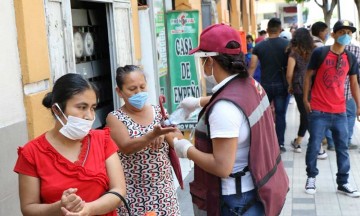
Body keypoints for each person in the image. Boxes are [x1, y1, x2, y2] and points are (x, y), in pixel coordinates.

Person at [174, 23, 289, 216]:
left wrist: (183, 147)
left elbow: (222, 167)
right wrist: (197, 102)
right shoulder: (251, 84)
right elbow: (238, 102)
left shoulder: (223, 109)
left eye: (202, 60)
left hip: (236, 200)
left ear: (210, 61)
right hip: (257, 191)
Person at [13, 73, 126, 216]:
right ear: (57, 109)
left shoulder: (102, 140)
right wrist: (59, 207)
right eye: (82, 107)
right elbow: (28, 209)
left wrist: (87, 210)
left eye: (92, 107)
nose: (89, 116)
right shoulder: (31, 153)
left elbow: (119, 191)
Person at [106, 65, 183, 216]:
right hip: (134, 196)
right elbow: (126, 147)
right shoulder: (115, 118)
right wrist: (152, 135)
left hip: (165, 194)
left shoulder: (159, 111)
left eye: (142, 87)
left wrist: (164, 133)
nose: (139, 92)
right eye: (132, 89)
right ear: (119, 92)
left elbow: (178, 139)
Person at [303, 20, 360, 197]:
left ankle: (343, 182)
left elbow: (354, 83)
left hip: (340, 111)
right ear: (333, 34)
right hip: (319, 110)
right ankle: (311, 177)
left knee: (342, 147)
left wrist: (359, 106)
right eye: (342, 32)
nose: (346, 35)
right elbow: (308, 76)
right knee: (314, 145)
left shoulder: (350, 57)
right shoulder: (320, 52)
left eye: (349, 33)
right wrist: (306, 99)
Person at [249, 17, 290, 152]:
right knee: (280, 114)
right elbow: (291, 66)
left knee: (264, 115)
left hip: (265, 85)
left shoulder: (259, 46)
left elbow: (253, 65)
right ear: (280, 30)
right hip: (281, 85)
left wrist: (247, 82)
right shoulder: (287, 45)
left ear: (267, 30)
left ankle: (265, 142)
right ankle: (280, 143)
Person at [325, 42, 360, 151]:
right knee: (350, 116)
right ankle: (346, 141)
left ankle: (331, 142)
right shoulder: (357, 49)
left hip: (332, 91)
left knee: (330, 116)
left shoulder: (329, 49)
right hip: (349, 91)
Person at [286, 28, 315, 153]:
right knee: (308, 114)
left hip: (299, 86)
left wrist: (290, 85)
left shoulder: (294, 53)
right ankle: (299, 141)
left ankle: (310, 142)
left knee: (305, 114)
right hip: (313, 86)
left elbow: (289, 74)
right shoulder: (315, 51)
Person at [310, 21, 330, 159]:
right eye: (326, 31)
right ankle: (319, 147)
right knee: (319, 116)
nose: (327, 33)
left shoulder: (307, 43)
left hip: (308, 86)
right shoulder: (320, 47)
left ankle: (319, 144)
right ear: (321, 32)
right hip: (318, 87)